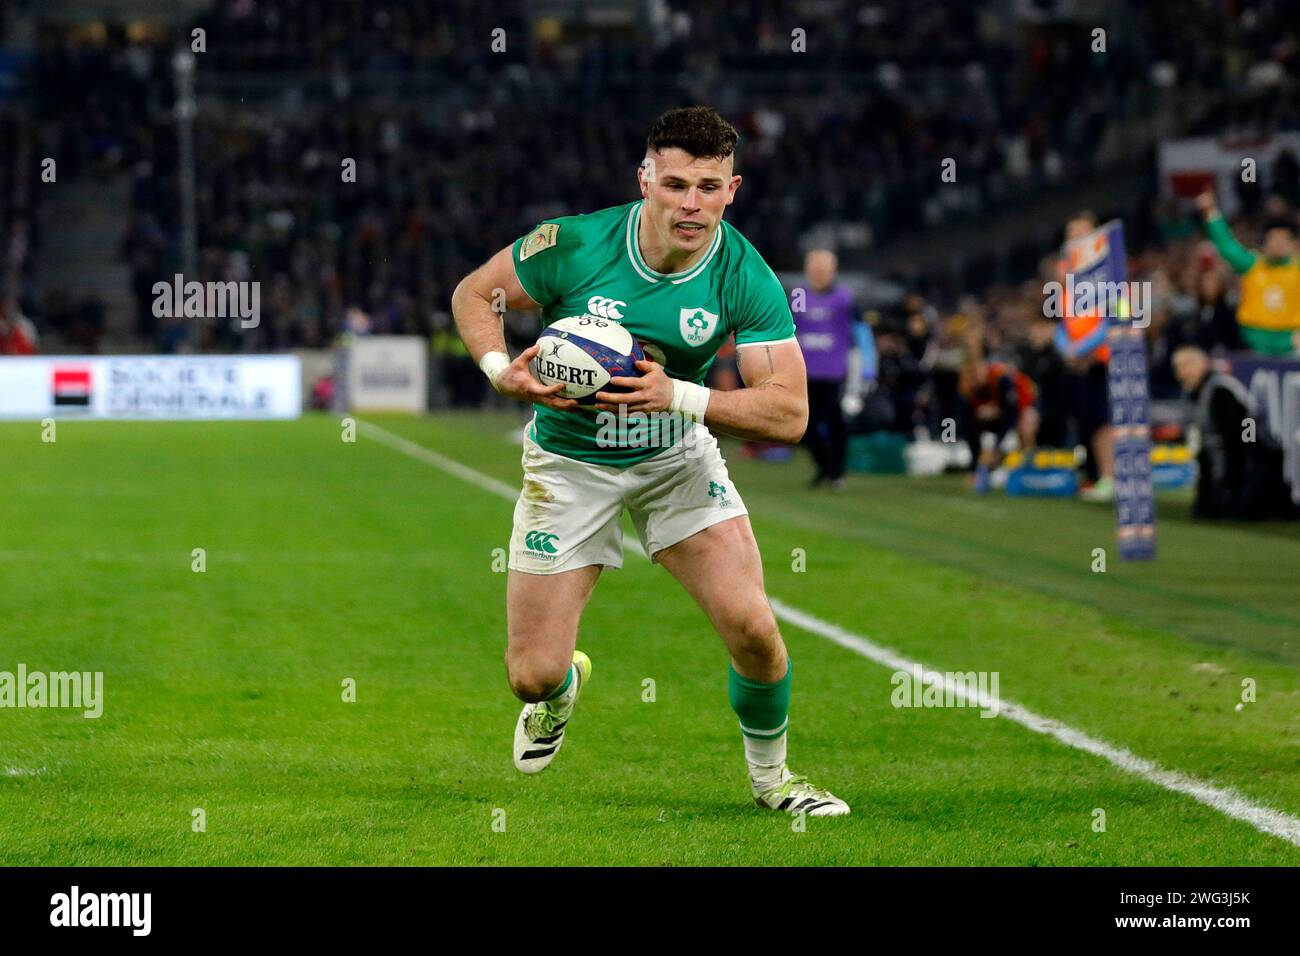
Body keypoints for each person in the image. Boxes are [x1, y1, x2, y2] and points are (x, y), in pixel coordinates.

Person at [451, 107, 848, 816]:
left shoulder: (743, 275)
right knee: (530, 677)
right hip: (570, 464)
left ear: (733, 189)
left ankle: (774, 782)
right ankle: (562, 688)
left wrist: (681, 396)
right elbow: (475, 294)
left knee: (755, 630)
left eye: (708, 186)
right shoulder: (574, 244)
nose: (690, 203)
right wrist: (496, 366)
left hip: (676, 460)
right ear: (645, 181)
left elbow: (789, 413)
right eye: (674, 185)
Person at [792, 248, 874, 490]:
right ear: (807, 270)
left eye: (823, 268)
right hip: (803, 371)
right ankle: (824, 466)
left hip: (836, 372)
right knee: (805, 426)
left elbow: (862, 335)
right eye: (814, 268)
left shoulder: (846, 299)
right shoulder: (797, 295)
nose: (818, 273)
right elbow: (787, 328)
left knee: (836, 423)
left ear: (833, 270)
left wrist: (867, 370)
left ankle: (836, 472)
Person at [1171, 345, 1283, 520]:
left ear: (1201, 365)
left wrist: (1232, 485)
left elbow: (1243, 435)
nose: (1180, 373)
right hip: (1227, 453)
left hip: (1252, 454)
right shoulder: (1193, 392)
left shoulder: (1220, 391)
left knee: (1236, 508)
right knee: (1205, 509)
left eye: (1185, 366)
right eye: (1177, 368)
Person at [1053, 211, 1115, 502]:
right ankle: (1092, 475)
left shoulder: (1107, 271)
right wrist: (1066, 348)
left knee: (1103, 422)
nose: (1075, 239)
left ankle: (1110, 477)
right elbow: (1062, 320)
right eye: (1071, 234)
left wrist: (1084, 349)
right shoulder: (1066, 275)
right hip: (1078, 363)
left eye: (1081, 233)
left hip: (1101, 360)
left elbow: (1114, 316)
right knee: (1086, 421)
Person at [1197, 190, 1300, 356]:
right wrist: (1210, 212)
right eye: (1273, 239)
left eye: (1283, 240)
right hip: (1254, 338)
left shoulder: (1297, 268)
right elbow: (1227, 246)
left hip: (1291, 340)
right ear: (1264, 244)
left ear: (1292, 245)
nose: (1278, 244)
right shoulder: (1252, 264)